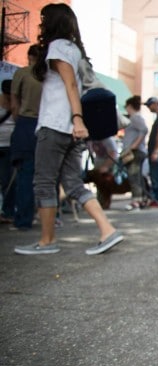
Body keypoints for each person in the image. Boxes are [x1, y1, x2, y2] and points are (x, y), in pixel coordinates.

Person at [15, 3, 123, 255]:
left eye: (43, 20)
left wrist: (76, 118)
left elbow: (70, 88)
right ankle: (107, 230)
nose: (40, 24)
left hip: (56, 125)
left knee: (43, 182)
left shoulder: (57, 47)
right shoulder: (74, 49)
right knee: (73, 183)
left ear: (51, 23)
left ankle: (47, 241)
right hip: (72, 129)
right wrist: (77, 121)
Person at [9, 44, 42, 230]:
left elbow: (14, 105)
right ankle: (51, 217)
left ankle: (23, 219)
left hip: (26, 123)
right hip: (46, 124)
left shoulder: (22, 74)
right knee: (47, 175)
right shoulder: (48, 75)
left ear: (29, 57)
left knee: (25, 175)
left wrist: (19, 119)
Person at [120, 95, 148, 211]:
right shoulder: (134, 118)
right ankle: (141, 199)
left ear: (129, 106)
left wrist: (134, 145)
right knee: (137, 176)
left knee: (134, 176)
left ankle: (136, 200)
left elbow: (144, 130)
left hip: (135, 151)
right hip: (135, 151)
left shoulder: (135, 117)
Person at [0, 80, 16, 225]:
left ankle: (8, 211)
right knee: (6, 180)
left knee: (8, 181)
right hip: (5, 144)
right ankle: (7, 211)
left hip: (10, 145)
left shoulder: (16, 104)